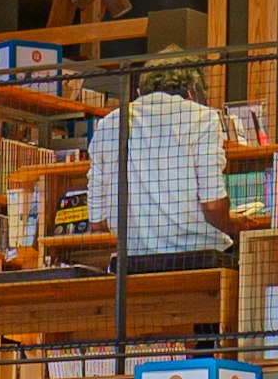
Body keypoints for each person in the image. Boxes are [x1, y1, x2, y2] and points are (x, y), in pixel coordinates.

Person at [81, 36, 234, 252]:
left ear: (142, 90)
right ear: (192, 90)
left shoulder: (109, 124)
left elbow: (97, 222)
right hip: (197, 256)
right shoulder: (202, 118)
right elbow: (213, 204)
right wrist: (231, 224)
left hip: (131, 263)